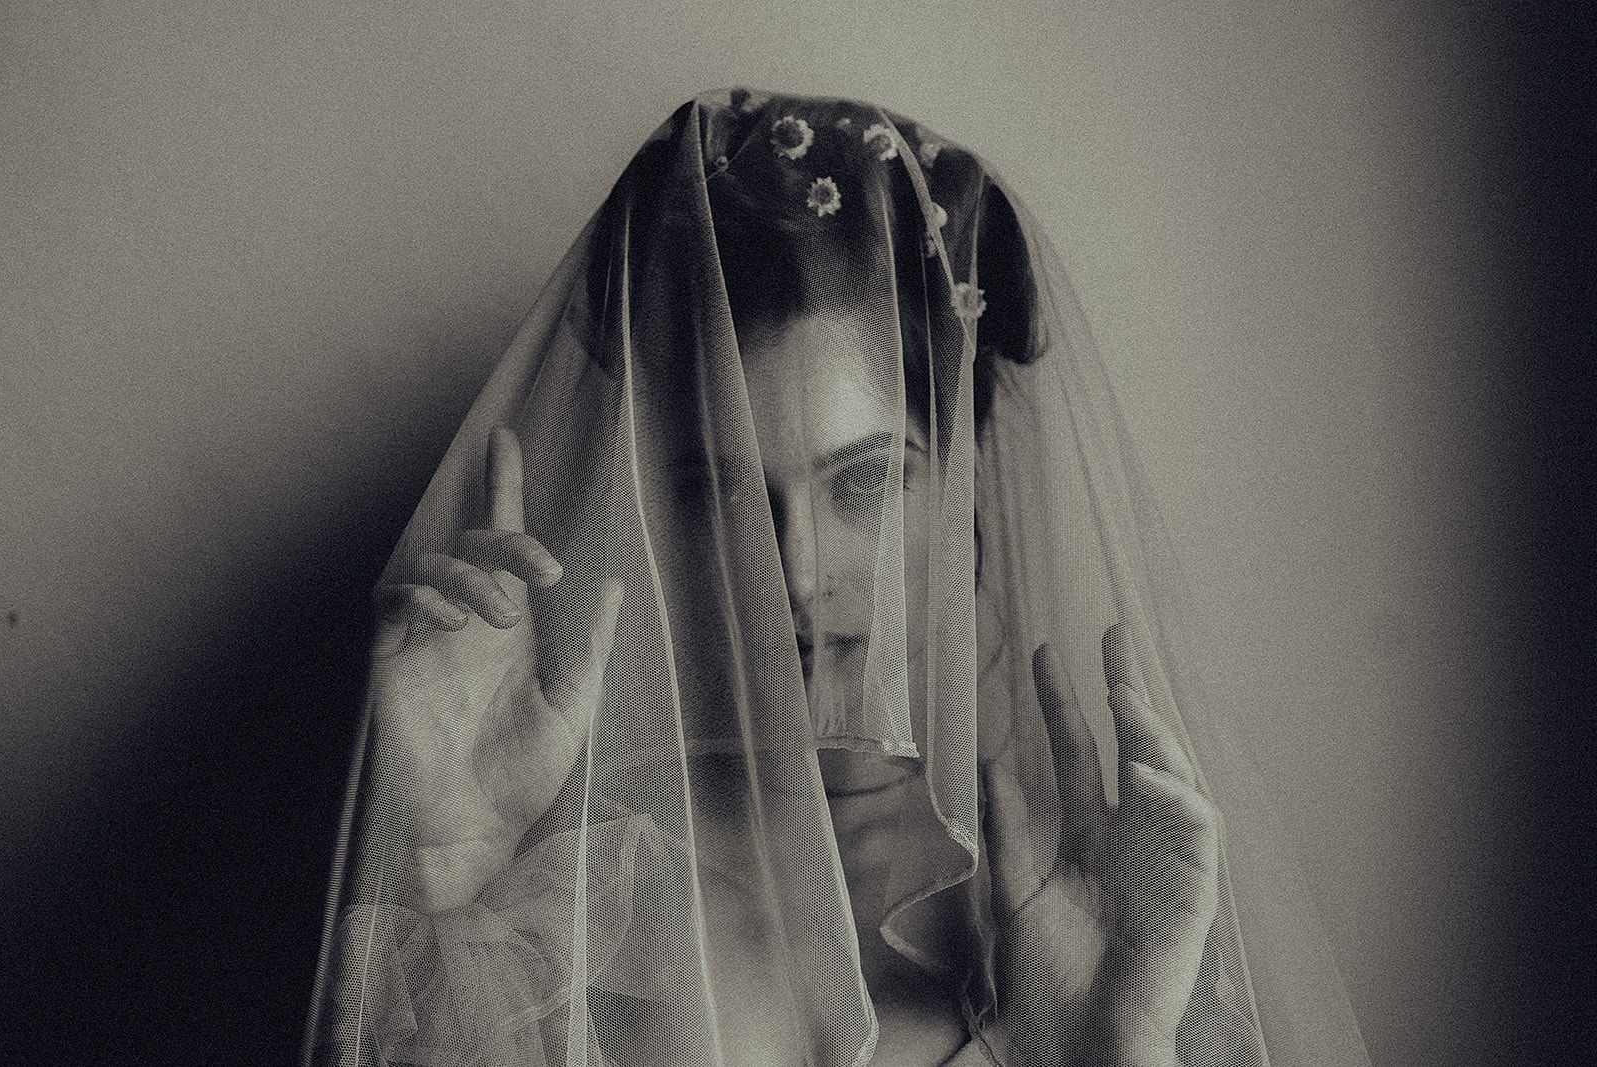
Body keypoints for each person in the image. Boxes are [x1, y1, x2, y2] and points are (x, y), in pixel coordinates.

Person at [302, 88, 1371, 1067]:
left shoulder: (1109, 899)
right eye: (725, 492)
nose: (797, 572)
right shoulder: (582, 907)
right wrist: (445, 867)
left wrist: (1117, 1044)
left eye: (864, 482)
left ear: (964, 482)